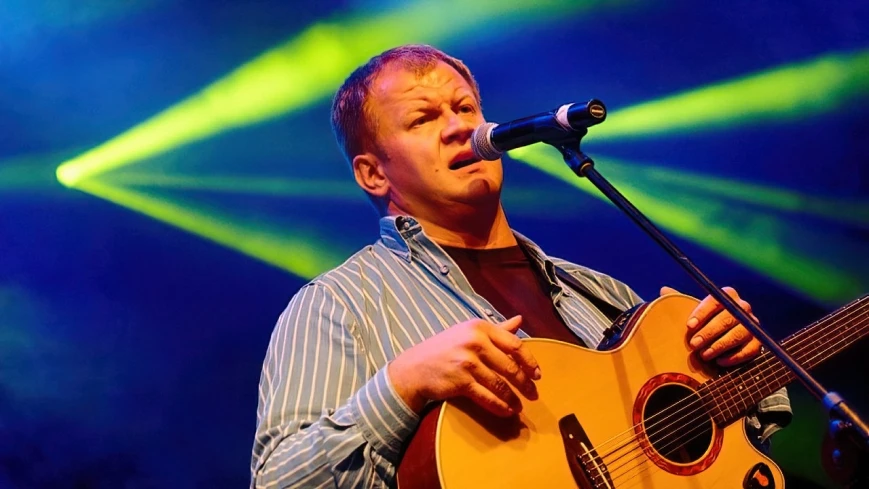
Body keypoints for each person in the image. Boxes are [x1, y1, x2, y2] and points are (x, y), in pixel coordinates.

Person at [249, 44, 791, 488]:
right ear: (373, 174)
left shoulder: (600, 293)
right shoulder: (340, 305)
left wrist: (739, 357)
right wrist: (402, 384)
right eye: (423, 118)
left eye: (465, 109)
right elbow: (277, 481)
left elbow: (719, 449)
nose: (458, 128)